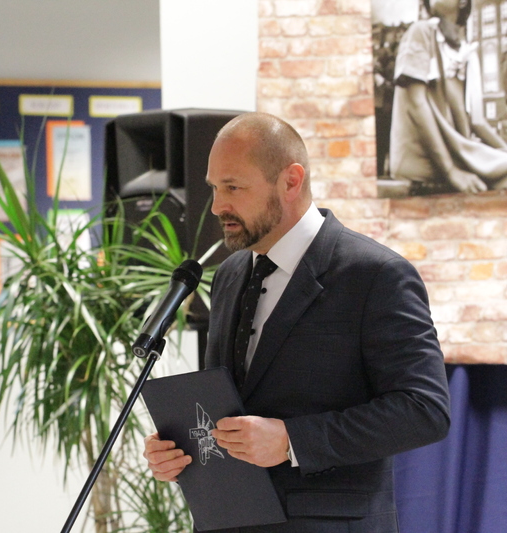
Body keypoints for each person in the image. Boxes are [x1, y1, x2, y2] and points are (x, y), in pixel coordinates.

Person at [143, 112, 451, 532]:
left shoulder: (375, 275)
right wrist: (182, 449)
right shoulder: (229, 275)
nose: (217, 206)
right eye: (214, 188)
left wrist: (292, 440)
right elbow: (229, 407)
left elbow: (424, 410)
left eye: (233, 187)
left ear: (291, 181)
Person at [389, 0, 507, 194]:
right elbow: (416, 104)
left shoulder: (468, 53)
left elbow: (477, 121)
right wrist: (451, 171)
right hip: (425, 162)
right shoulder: (421, 32)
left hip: (460, 158)